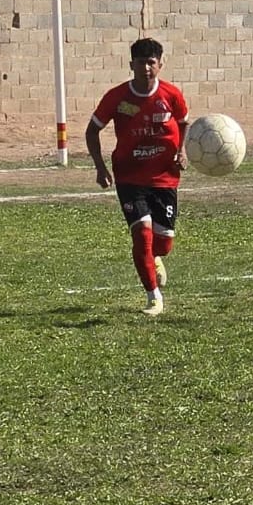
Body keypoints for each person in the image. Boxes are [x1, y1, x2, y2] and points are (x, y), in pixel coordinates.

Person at [84, 37, 190, 316]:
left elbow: (183, 122)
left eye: (151, 62)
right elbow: (92, 130)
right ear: (131, 64)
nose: (146, 68)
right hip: (129, 178)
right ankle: (153, 297)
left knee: (163, 243)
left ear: (160, 64)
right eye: (140, 62)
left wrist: (182, 152)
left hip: (165, 178)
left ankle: (156, 259)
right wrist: (100, 166)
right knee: (142, 235)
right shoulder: (117, 97)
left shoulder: (171, 95)